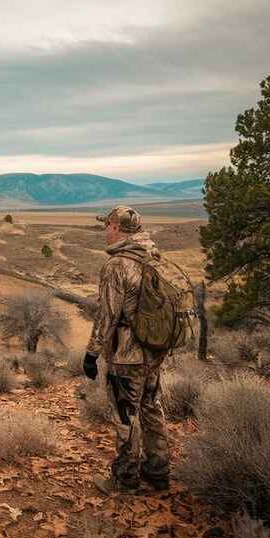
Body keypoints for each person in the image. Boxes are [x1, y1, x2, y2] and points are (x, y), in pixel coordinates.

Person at [82, 206, 171, 495]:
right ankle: (158, 473)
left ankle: (125, 480)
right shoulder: (154, 258)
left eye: (107, 226)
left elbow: (107, 315)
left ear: (117, 228)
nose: (105, 231)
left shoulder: (117, 265)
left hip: (126, 355)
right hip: (154, 351)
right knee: (151, 408)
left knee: (125, 415)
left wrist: (92, 353)